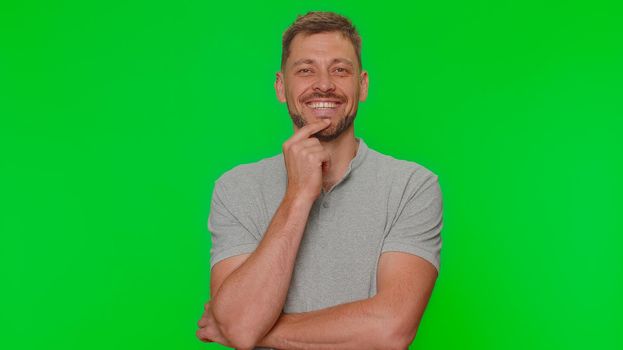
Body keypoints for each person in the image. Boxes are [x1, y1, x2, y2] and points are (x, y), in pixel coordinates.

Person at [196, 11, 443, 350]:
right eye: (306, 70)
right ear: (282, 87)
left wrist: (253, 329)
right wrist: (297, 195)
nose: (324, 84)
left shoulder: (412, 186)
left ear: (363, 84)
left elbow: (391, 329)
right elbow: (239, 321)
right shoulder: (236, 188)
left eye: (340, 70)